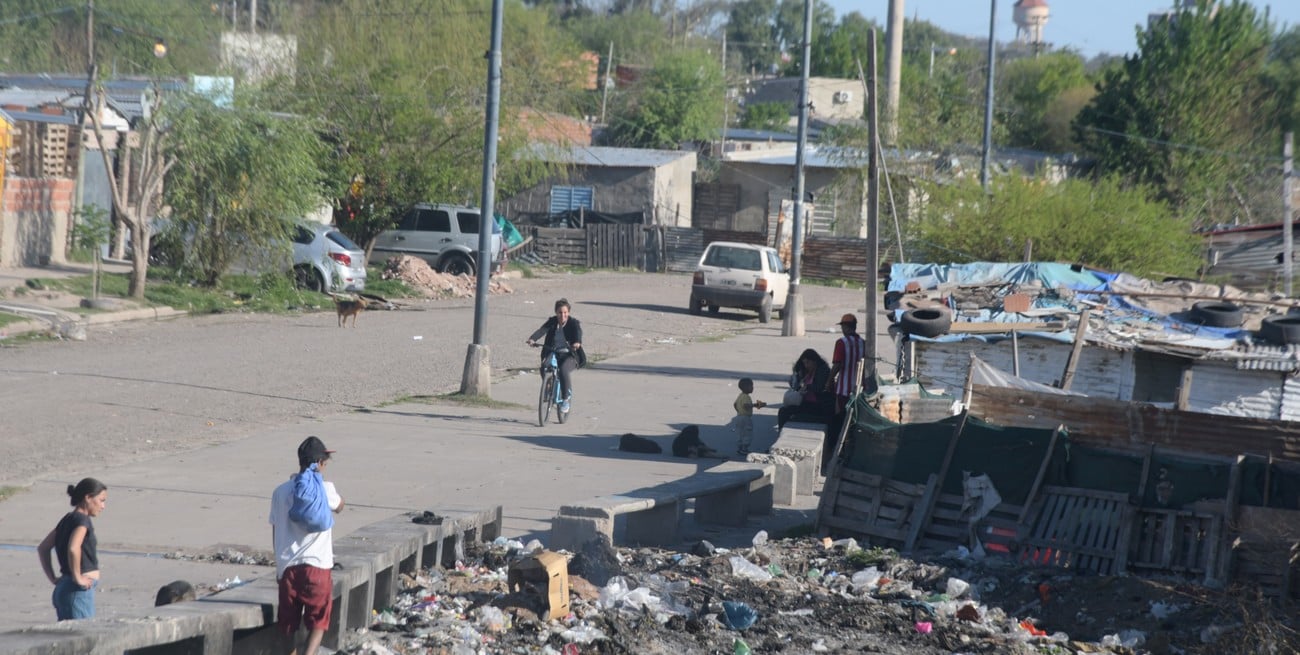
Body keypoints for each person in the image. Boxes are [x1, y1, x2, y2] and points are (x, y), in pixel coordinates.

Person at [270, 437, 344, 655]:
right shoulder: (326, 489)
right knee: (318, 621)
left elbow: (275, 530)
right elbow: (340, 506)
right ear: (320, 464)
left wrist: (279, 568)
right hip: (318, 568)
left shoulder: (280, 492)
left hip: (288, 568)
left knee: (288, 625)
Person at [37, 477, 108, 621]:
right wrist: (78, 578)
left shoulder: (67, 519)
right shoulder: (82, 520)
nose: (103, 506)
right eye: (101, 500)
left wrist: (53, 579)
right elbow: (73, 548)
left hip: (65, 588)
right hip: (77, 592)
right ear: (88, 497)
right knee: (84, 639)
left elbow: (43, 548)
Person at [526, 298, 585, 413]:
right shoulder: (552, 321)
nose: (562, 315)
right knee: (544, 366)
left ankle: (566, 398)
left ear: (568, 312)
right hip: (553, 351)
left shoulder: (573, 323)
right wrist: (532, 338)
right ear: (556, 312)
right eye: (560, 312)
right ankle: (547, 388)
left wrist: (577, 342)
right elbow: (542, 330)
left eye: (565, 313)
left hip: (570, 354)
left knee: (563, 370)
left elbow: (578, 332)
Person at [776, 349, 832, 429]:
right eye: (804, 363)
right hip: (808, 404)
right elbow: (798, 387)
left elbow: (819, 388)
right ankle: (781, 431)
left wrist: (807, 387)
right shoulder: (808, 372)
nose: (806, 365)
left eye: (808, 362)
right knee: (784, 411)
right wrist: (797, 380)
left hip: (818, 407)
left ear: (814, 361)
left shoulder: (822, 370)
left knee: (786, 414)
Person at [826, 313, 868, 415]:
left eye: (842, 327)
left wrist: (829, 381)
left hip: (843, 389)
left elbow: (837, 365)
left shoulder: (841, 342)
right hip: (860, 388)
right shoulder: (864, 343)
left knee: (840, 415)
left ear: (845, 327)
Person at [731, 377, 767, 456]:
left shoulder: (740, 395)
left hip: (739, 417)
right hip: (746, 418)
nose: (752, 388)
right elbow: (746, 405)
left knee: (740, 432)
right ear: (745, 387)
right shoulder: (746, 397)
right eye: (751, 386)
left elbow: (735, 404)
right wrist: (756, 405)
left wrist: (739, 411)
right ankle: (745, 448)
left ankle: (740, 448)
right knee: (747, 433)